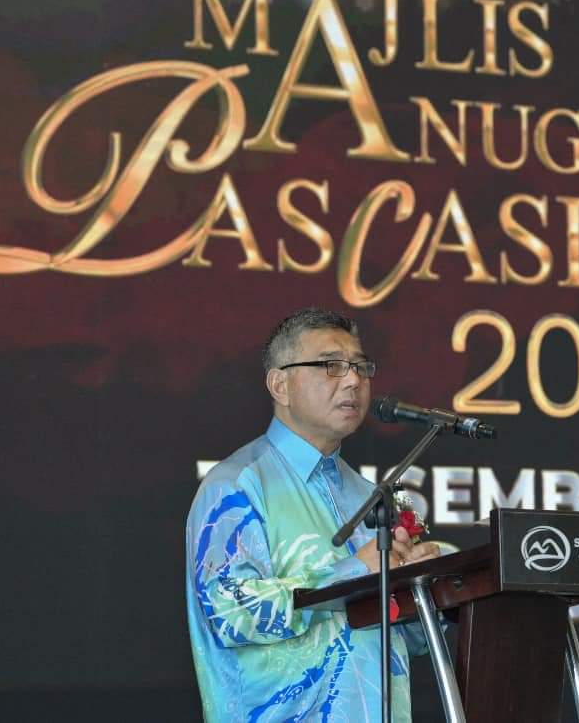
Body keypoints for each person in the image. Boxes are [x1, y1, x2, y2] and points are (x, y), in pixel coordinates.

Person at [186, 307, 440, 722]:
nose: (353, 380)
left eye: (360, 367)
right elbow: (230, 614)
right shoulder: (237, 485)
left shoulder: (370, 495)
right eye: (331, 365)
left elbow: (404, 641)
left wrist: (420, 589)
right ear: (280, 384)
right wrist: (354, 574)